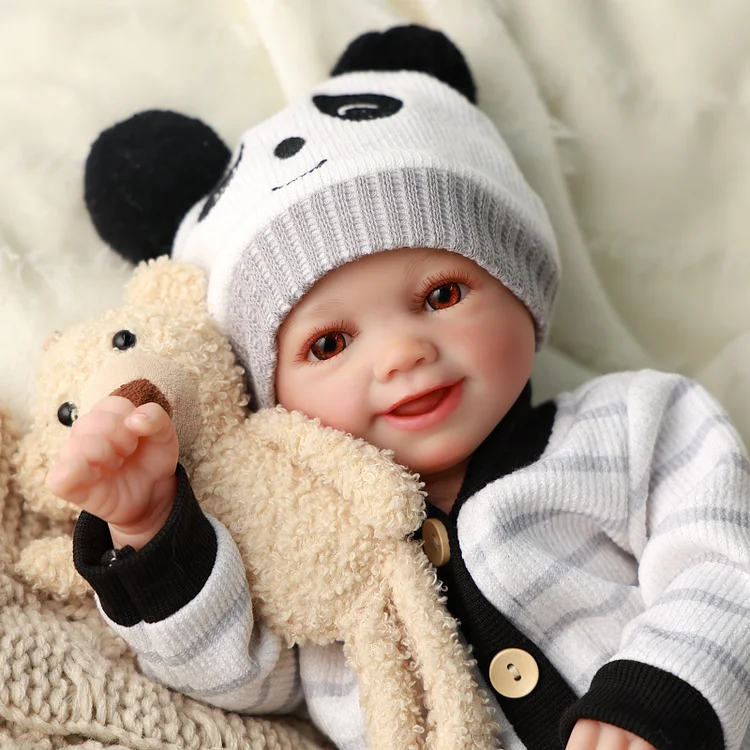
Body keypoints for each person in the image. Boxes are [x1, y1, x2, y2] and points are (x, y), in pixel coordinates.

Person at [47, 25, 750, 750]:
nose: (401, 353)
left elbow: (727, 564)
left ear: (521, 285)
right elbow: (238, 679)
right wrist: (148, 528)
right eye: (330, 343)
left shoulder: (638, 423)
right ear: (271, 401)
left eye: (442, 295)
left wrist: (661, 698)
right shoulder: (301, 543)